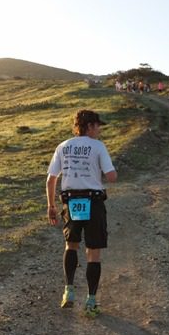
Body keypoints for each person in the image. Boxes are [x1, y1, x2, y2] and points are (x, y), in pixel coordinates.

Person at [46, 109, 117, 317]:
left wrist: (51, 206)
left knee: (71, 245)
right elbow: (111, 177)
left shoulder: (63, 146)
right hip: (93, 201)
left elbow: (51, 179)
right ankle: (91, 301)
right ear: (90, 126)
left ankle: (68, 291)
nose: (100, 130)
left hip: (71, 201)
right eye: (98, 126)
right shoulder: (98, 146)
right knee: (93, 252)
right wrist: (111, 172)